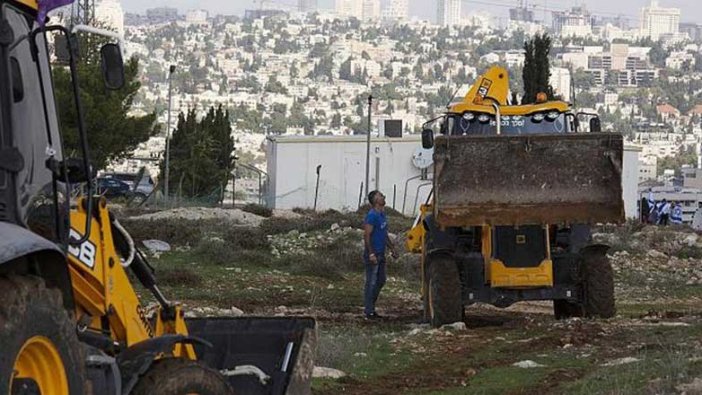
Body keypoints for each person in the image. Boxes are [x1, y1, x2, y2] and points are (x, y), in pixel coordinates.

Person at [363, 190, 398, 319]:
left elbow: (384, 234)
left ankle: (371, 306)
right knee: (371, 282)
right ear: (375, 201)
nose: (383, 196)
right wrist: (371, 253)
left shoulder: (382, 214)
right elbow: (367, 235)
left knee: (381, 280)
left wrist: (392, 248)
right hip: (374, 254)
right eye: (380, 196)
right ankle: (369, 311)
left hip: (381, 253)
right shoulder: (372, 215)